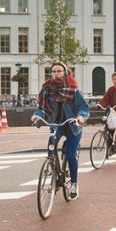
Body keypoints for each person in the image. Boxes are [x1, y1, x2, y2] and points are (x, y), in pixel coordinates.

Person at [31, 62, 89, 197]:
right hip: (58, 124)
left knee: (70, 155)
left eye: (59, 71)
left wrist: (80, 117)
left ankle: (74, 184)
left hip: (73, 125)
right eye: (53, 71)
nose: (56, 73)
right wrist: (36, 115)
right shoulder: (47, 89)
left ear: (65, 73)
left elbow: (84, 107)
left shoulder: (73, 89)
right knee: (50, 148)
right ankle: (53, 170)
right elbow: (42, 108)